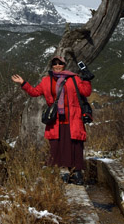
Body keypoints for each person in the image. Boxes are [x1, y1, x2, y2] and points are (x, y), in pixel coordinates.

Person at [12, 56, 92, 185]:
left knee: (75, 146)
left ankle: (76, 174)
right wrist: (23, 83)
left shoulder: (74, 78)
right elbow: (34, 92)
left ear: (64, 65)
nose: (57, 65)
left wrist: (87, 79)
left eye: (60, 63)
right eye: (55, 63)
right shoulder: (46, 81)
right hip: (56, 120)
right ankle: (61, 173)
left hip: (73, 118)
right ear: (52, 66)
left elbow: (86, 92)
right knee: (56, 147)